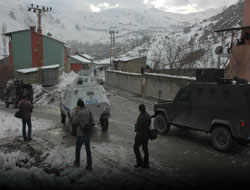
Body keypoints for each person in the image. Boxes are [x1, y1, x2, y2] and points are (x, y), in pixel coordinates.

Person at [72, 99, 92, 170]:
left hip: (81, 134)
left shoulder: (80, 113)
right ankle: (89, 165)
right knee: (88, 149)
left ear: (79, 106)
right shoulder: (88, 111)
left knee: (78, 148)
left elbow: (74, 121)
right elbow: (91, 121)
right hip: (88, 133)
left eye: (77, 106)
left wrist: (75, 112)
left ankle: (77, 162)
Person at [133, 104, 151, 169]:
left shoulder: (141, 118)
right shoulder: (148, 115)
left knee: (135, 147)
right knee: (145, 149)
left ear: (140, 110)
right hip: (147, 135)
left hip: (141, 135)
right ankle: (146, 164)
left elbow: (137, 129)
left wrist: (136, 124)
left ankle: (139, 163)